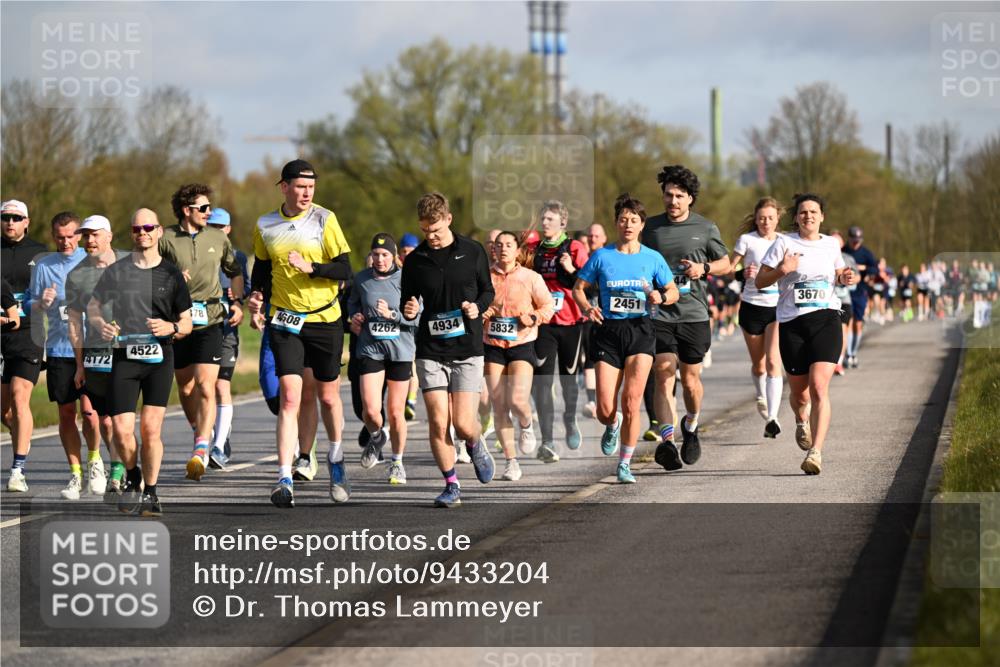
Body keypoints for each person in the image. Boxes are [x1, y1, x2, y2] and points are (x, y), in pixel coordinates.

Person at [248, 159, 352, 508]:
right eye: (300, 187)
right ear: (284, 188)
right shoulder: (265, 224)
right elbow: (263, 268)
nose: (307, 193)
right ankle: (284, 477)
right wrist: (256, 296)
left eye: (311, 187)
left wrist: (313, 268)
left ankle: (336, 458)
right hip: (285, 321)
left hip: (324, 319)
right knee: (290, 397)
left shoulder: (325, 219)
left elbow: (345, 269)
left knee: (326, 397)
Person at [88, 209, 194, 514]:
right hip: (125, 356)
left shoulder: (171, 273)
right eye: (136, 228)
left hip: (160, 357)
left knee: (150, 430)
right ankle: (133, 477)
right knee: (121, 430)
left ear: (159, 231)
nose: (142, 233)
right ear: (132, 233)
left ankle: (151, 491)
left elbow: (187, 322)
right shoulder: (117, 271)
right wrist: (101, 326)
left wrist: (171, 328)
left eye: (148, 227)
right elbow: (93, 307)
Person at [573, 194, 677, 483]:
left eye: (633, 220)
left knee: (631, 401)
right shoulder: (602, 256)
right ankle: (613, 423)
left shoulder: (652, 258)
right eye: (623, 219)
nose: (628, 224)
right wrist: (587, 307)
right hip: (608, 332)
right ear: (616, 223)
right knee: (606, 409)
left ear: (641, 225)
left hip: (641, 331)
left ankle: (625, 463)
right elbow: (578, 288)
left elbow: (674, 290)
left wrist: (662, 295)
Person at [400, 192, 495, 508]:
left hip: (467, 348)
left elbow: (487, 290)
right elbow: (407, 301)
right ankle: (451, 484)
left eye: (437, 230)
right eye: (426, 231)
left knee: (463, 424)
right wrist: (410, 309)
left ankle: (475, 441)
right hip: (430, 350)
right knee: (439, 422)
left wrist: (476, 308)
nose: (432, 237)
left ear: (449, 220)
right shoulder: (415, 261)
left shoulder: (472, 251)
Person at [755, 193, 859, 474]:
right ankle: (802, 420)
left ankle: (816, 453)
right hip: (792, 324)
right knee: (800, 395)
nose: (808, 216)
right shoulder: (784, 243)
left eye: (814, 212)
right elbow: (760, 280)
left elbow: (839, 274)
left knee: (819, 387)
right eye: (803, 212)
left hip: (827, 319)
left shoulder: (831, 244)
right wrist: (782, 270)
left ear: (822, 217)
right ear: (797, 218)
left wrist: (846, 277)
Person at [641, 165, 731, 471]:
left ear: (690, 198)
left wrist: (702, 269)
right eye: (668, 194)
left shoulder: (705, 228)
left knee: (691, 381)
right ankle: (667, 442)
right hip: (659, 313)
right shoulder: (650, 228)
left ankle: (690, 426)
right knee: (664, 373)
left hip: (693, 314)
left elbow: (726, 263)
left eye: (679, 196)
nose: (673, 201)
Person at [161, 184, 244, 481]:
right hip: (179, 322)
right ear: (187, 210)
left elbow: (234, 271)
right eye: (204, 208)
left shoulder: (217, 237)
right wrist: (169, 277)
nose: (209, 213)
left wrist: (236, 303)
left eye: (210, 207)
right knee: (184, 388)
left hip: (210, 319)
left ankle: (200, 448)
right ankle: (201, 431)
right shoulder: (166, 238)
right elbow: (147, 270)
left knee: (206, 385)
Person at [30, 211, 106, 499]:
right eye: (60, 237)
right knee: (65, 413)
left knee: (90, 412)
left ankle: (95, 460)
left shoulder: (93, 263)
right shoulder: (44, 266)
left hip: (91, 348)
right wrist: (41, 302)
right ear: (53, 237)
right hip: (60, 349)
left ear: (80, 235)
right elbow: (31, 303)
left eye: (71, 236)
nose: (66, 242)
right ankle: (75, 475)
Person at [65, 215, 130, 499]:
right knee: (102, 420)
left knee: (120, 417)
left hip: (130, 350)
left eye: (94, 235)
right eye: (85, 236)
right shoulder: (77, 275)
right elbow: (74, 322)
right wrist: (79, 364)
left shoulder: (132, 263)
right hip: (95, 353)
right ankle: (118, 465)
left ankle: (118, 471)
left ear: (109, 236)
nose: (89, 241)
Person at [349, 233, 420, 485]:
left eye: (385, 255)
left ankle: (397, 462)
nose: (380, 259)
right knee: (370, 411)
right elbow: (353, 305)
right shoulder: (361, 279)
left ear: (394, 257)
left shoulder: (408, 280)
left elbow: (417, 317)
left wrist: (393, 315)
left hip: (400, 351)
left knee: (395, 411)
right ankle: (377, 436)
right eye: (376, 254)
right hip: (370, 349)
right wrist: (354, 318)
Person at [484, 231, 554, 480]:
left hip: (522, 342)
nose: (503, 249)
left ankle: (526, 424)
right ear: (493, 249)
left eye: (508, 245)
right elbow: (474, 302)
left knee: (517, 400)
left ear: (517, 250)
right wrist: (482, 311)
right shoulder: (484, 276)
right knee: (499, 404)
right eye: (498, 245)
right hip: (492, 344)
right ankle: (510, 462)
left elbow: (548, 306)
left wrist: (533, 317)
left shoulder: (530, 277)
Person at [530, 200, 589, 462]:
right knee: (542, 383)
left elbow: (589, 284)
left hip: (570, 323)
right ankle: (547, 440)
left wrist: (571, 269)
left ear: (563, 223)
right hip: (543, 325)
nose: (545, 224)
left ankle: (569, 419)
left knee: (568, 380)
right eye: (543, 219)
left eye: (550, 219)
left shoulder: (575, 248)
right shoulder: (534, 250)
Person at [1, 199, 46, 492]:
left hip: (28, 333)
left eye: (16, 217)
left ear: (27, 222)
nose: (10, 222)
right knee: (5, 411)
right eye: (5, 217)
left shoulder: (41, 253)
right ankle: (23, 438)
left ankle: (18, 469)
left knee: (20, 398)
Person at [730, 198, 784, 438]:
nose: (766, 222)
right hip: (751, 306)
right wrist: (743, 273)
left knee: (774, 361)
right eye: (762, 218)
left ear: (777, 219)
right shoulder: (747, 240)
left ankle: (772, 418)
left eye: (771, 218)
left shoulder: (785, 241)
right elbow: (729, 269)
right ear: (756, 219)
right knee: (759, 363)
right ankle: (761, 395)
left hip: (777, 307)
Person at [204, 207, 251, 468]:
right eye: (211, 227)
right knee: (200, 389)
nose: (216, 232)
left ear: (228, 230)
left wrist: (239, 303)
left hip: (226, 331)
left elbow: (247, 289)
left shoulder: (238, 258)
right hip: (200, 330)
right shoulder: (196, 255)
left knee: (221, 386)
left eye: (220, 228)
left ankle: (219, 447)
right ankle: (211, 434)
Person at [580, 223, 607, 419]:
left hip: (609, 317)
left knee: (606, 360)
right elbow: (578, 287)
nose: (593, 238)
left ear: (604, 238)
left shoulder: (609, 257)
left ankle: (606, 399)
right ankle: (591, 400)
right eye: (590, 236)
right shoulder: (583, 260)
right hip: (589, 316)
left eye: (597, 236)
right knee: (589, 358)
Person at [842, 226, 876, 368]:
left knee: (858, 323)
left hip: (860, 291)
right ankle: (848, 354)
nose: (856, 243)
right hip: (844, 292)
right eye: (853, 240)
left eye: (858, 240)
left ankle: (854, 352)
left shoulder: (866, 253)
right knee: (848, 323)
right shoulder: (843, 251)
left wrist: (864, 269)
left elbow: (875, 268)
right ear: (848, 238)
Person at [398, 232, 421, 421]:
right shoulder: (395, 270)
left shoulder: (422, 268)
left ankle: (411, 400)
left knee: (413, 361)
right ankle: (403, 398)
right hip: (400, 323)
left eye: (410, 251)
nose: (407, 254)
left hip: (419, 323)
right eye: (404, 251)